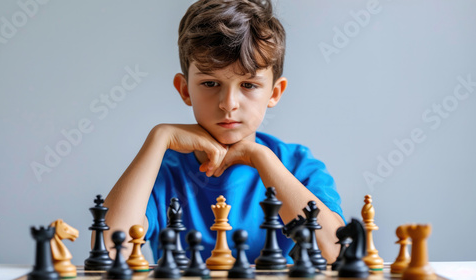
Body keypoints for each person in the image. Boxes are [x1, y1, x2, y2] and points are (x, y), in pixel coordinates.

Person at [102, 0, 345, 264]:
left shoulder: (298, 167)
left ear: (274, 93)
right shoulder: (160, 173)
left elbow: (336, 252)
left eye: (249, 85)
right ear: (185, 90)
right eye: (210, 82)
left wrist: (261, 159)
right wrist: (159, 137)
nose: (228, 103)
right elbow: (108, 251)